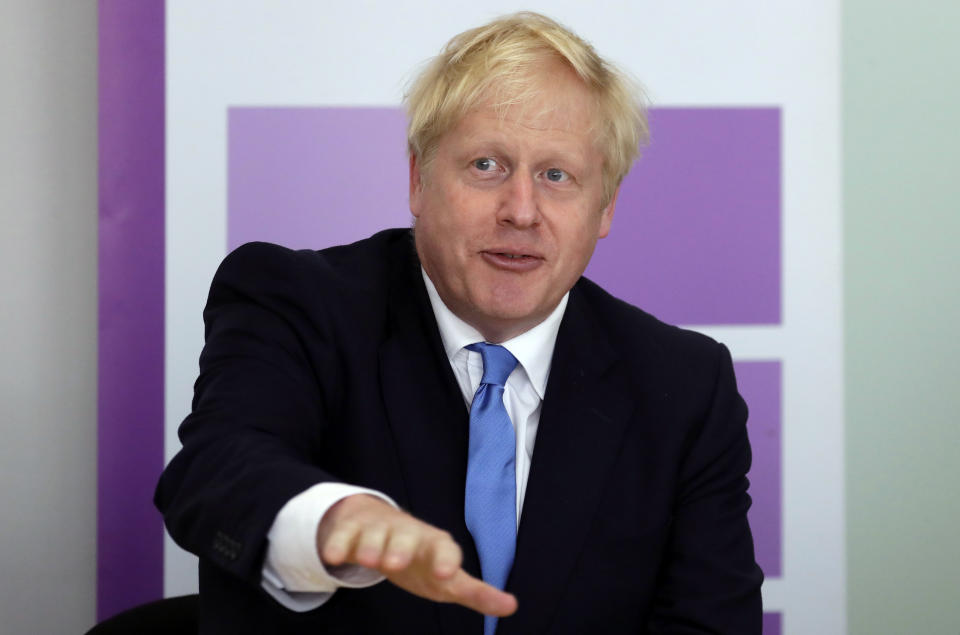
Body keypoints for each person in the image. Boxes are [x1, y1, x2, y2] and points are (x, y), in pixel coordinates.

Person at [155, 11, 763, 634]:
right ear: (419, 179)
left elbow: (710, 622)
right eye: (486, 166)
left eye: (557, 176)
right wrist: (333, 520)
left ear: (604, 207)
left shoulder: (683, 384)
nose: (521, 211)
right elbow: (214, 469)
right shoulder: (296, 302)